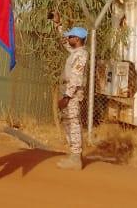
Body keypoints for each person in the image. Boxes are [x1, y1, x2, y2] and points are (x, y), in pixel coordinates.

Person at [56, 24, 89, 171]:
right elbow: (64, 41)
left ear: (77, 39)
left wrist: (67, 97)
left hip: (72, 94)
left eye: (71, 36)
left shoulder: (81, 55)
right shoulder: (76, 52)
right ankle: (74, 155)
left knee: (73, 123)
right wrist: (57, 24)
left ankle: (75, 158)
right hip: (69, 92)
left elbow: (76, 78)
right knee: (68, 122)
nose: (68, 38)